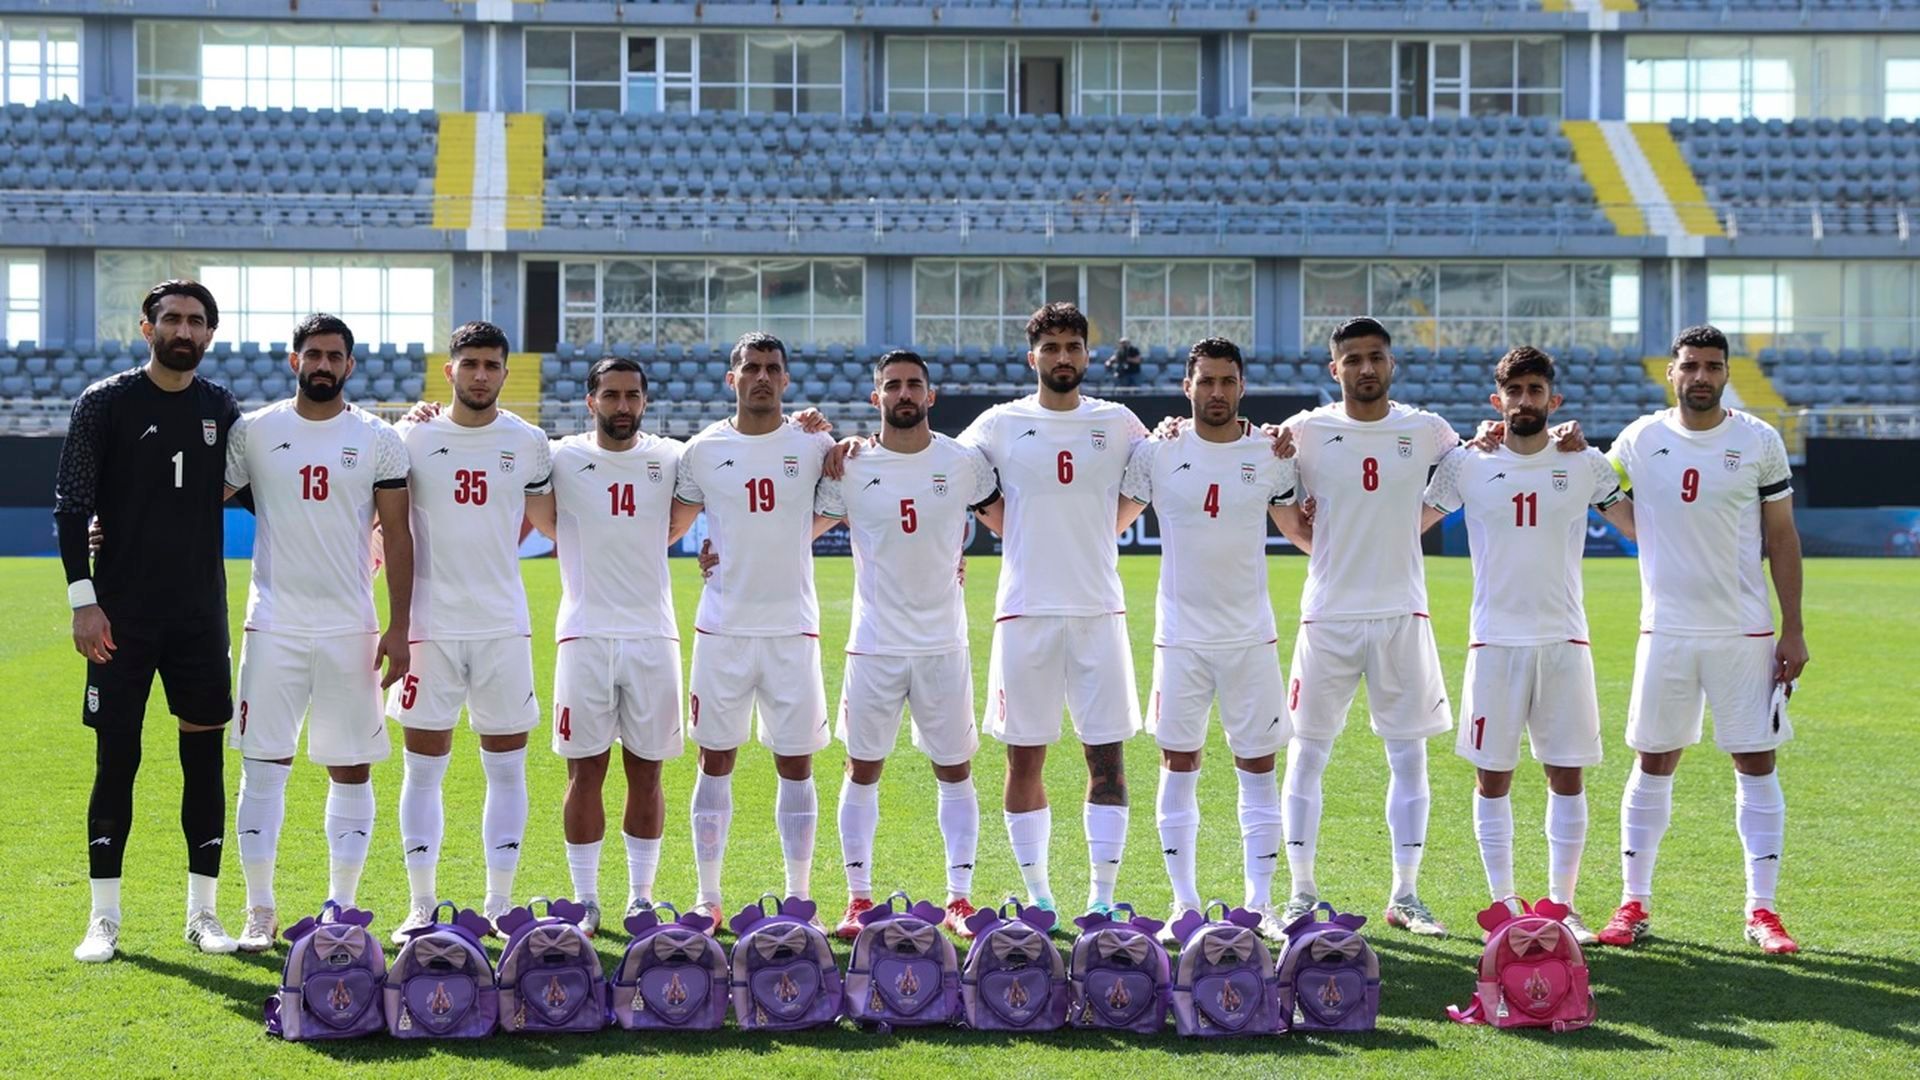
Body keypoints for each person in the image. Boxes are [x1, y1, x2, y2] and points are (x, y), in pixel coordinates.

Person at [1597, 324, 1808, 954]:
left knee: (1755, 762)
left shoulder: (1759, 440)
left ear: (1725, 373)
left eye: (1713, 367)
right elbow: (1594, 482)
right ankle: (1633, 904)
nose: (1701, 377)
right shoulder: (1640, 438)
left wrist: (1793, 628)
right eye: (1690, 366)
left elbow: (1783, 538)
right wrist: (1642, 532)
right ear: (1672, 372)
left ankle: (1762, 911)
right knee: (1653, 760)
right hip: (1665, 630)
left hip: (1744, 630)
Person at [1420, 346, 1635, 945]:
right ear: (1498, 401)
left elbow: (1642, 526)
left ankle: (1561, 905)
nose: (1524, 401)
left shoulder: (1586, 464)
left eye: (1535, 390)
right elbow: (1406, 521)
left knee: (1567, 776)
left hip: (1565, 640)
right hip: (1494, 644)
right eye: (1514, 392)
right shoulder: (1468, 464)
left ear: (1553, 400)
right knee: (1493, 779)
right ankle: (1504, 903)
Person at [57, 279, 244, 961]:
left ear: (210, 335)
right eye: (172, 319)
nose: (184, 330)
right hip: (120, 618)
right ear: (147, 328)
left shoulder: (221, 407)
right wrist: (84, 599)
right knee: (118, 759)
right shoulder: (104, 402)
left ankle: (204, 914)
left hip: (199, 618)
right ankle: (103, 917)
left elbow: (270, 478)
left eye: (197, 321)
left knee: (204, 763)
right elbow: (72, 503)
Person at [1268, 316, 1463, 936]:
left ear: (1391, 364)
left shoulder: (1428, 431)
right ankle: (1301, 892)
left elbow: (1475, 473)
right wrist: (1313, 539)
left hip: (1402, 615)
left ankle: (1406, 894)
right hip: (1327, 616)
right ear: (1335, 369)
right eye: (1352, 359)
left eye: (1375, 357)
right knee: (1307, 753)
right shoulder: (1305, 432)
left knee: (1408, 756)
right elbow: (1278, 500)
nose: (1365, 368)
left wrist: (1406, 530)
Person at [224, 314, 413, 951]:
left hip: (349, 628)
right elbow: (193, 504)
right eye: (313, 354)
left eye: (335, 355)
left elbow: (400, 534)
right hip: (272, 624)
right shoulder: (254, 431)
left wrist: (400, 626)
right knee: (262, 768)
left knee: (352, 769)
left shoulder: (378, 439)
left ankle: (344, 906)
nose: (323, 364)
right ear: (293, 359)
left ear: (350, 365)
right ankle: (259, 909)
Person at [954, 302, 1148, 922]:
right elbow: (938, 471)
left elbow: (1162, 470)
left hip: (1098, 610)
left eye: (1073, 346)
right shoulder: (998, 424)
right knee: (1024, 756)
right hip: (1025, 612)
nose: (1063, 357)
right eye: (1051, 347)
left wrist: (1105, 531)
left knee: (1107, 757)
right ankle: (1038, 895)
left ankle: (1101, 895)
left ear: (1088, 355)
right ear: (1032, 355)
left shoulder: (1118, 422)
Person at [808, 350, 996, 938]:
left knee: (955, 770)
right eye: (893, 385)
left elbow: (1012, 521)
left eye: (914, 384)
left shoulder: (963, 463)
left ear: (931, 396)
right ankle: (858, 899)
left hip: (944, 643)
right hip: (875, 645)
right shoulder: (853, 464)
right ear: (876, 398)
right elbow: (795, 527)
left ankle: (959, 899)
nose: (904, 393)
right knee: (861, 768)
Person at [1119, 337, 1302, 940]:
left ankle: (1261, 904)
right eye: (1207, 381)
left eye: (1228, 381)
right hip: (1181, 641)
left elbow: (1300, 528)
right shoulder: (1157, 451)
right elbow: (1106, 523)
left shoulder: (1273, 453)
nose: (1217, 392)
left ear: (1242, 386)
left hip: (1251, 638)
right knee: (1179, 763)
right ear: (1187, 387)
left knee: (1257, 767)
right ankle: (1185, 904)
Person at [386, 321, 554, 941]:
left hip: (503, 629)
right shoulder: (411, 435)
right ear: (449, 370)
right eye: (470, 363)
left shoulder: (529, 442)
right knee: (422, 770)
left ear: (506, 373)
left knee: (506, 770)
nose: (480, 374)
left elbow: (552, 518)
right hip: (429, 627)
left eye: (491, 364)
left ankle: (498, 904)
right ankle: (421, 904)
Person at [669, 332, 838, 931]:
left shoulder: (815, 443)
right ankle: (706, 898)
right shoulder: (703, 449)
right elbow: (670, 524)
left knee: (797, 764)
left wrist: (795, 538)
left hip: (793, 629)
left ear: (786, 381)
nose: (762, 377)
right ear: (731, 379)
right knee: (715, 760)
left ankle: (799, 899)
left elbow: (843, 499)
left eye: (772, 368)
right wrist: (706, 552)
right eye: (751, 368)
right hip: (723, 630)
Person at [525, 356, 694, 935]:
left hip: (653, 635)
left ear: (645, 402)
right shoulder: (560, 455)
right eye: (611, 395)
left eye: (632, 396)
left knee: (648, 773)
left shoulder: (671, 457)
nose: (623, 406)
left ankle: (640, 898)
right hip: (584, 635)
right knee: (585, 772)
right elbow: (543, 518)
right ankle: (587, 897)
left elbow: (710, 496)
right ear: (590, 401)